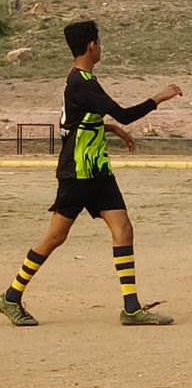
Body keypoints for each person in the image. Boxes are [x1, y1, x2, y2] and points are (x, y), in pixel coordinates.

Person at [2, 20, 182, 327]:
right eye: (99, 42)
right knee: (55, 236)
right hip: (78, 172)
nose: (101, 47)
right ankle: (11, 296)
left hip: (98, 171)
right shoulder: (81, 82)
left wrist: (110, 128)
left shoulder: (82, 79)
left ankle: (131, 308)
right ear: (91, 46)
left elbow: (75, 120)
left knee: (123, 228)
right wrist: (158, 98)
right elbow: (124, 113)